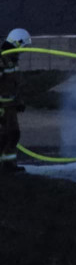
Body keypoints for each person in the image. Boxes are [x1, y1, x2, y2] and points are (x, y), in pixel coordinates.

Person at [0, 28, 31, 174]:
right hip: (3, 106)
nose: (23, 50)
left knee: (13, 134)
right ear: (17, 42)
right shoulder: (2, 59)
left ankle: (8, 164)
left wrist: (19, 101)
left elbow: (15, 84)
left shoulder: (12, 60)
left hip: (11, 105)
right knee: (6, 134)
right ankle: (6, 165)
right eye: (23, 46)